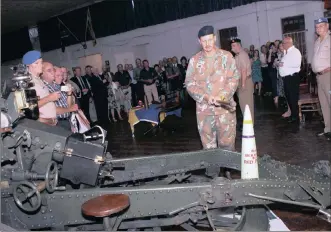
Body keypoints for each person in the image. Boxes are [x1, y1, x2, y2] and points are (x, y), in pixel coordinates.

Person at [185, 25, 240, 150]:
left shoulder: (226, 56)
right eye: (204, 41)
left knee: (227, 145)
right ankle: (213, 170)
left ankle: (227, 169)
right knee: (208, 148)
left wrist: (222, 96)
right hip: (204, 112)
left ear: (214, 38)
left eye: (209, 40)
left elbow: (234, 78)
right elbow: (189, 83)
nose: (207, 43)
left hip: (224, 109)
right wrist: (205, 97)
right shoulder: (194, 61)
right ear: (199, 41)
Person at [22, 50, 60, 126]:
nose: (41, 65)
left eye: (41, 62)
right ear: (29, 65)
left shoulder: (38, 79)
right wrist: (49, 98)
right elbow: (28, 108)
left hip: (51, 122)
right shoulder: (27, 82)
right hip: (44, 124)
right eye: (37, 63)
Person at [312, 17, 331, 138]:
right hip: (319, 77)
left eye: (321, 26)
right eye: (317, 27)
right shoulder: (317, 41)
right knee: (324, 104)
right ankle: (328, 129)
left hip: (328, 76)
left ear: (327, 26)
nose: (318, 29)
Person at [278, 37, 302, 123]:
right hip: (286, 78)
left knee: (293, 98)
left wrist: (282, 64)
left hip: (292, 78)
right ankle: (293, 114)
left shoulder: (295, 52)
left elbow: (297, 64)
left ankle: (295, 117)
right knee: (288, 97)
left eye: (283, 43)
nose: (282, 45)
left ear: (288, 43)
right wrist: (282, 64)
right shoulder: (286, 53)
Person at [231, 38, 255, 122]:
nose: (232, 48)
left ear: (238, 45)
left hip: (245, 81)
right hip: (242, 81)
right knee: (243, 103)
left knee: (247, 103)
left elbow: (244, 70)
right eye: (231, 46)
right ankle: (247, 123)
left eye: (233, 46)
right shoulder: (238, 55)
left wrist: (243, 84)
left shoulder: (242, 55)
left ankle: (249, 124)